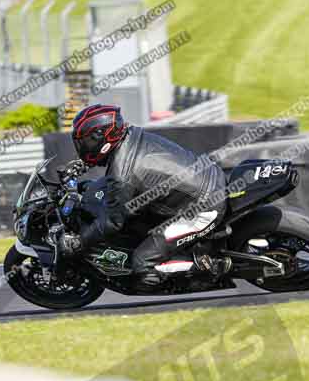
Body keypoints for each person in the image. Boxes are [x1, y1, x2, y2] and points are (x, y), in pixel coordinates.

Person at [59, 104, 231, 288]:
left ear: (103, 137)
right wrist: (83, 182)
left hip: (204, 207)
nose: (83, 145)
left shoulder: (123, 175)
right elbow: (114, 183)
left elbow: (112, 221)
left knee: (142, 264)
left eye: (86, 140)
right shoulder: (131, 136)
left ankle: (209, 266)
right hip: (208, 180)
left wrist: (80, 242)